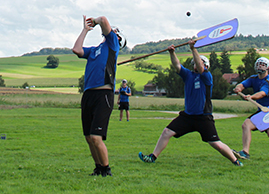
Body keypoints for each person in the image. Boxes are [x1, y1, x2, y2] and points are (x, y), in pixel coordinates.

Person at [138, 39, 243, 167]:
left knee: (216, 144)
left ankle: (236, 161)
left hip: (203, 117)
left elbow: (200, 67)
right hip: (187, 116)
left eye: (201, 62)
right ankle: (152, 157)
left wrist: (193, 49)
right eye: (195, 62)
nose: (196, 64)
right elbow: (177, 66)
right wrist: (172, 53)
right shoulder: (188, 75)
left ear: (206, 66)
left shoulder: (207, 76)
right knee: (167, 132)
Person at [72, 15, 127, 177]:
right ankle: (98, 168)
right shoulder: (95, 50)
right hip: (88, 94)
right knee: (89, 137)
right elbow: (77, 50)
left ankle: (106, 170)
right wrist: (85, 30)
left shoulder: (112, 45)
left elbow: (103, 19)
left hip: (103, 94)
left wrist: (94, 21)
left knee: (96, 137)